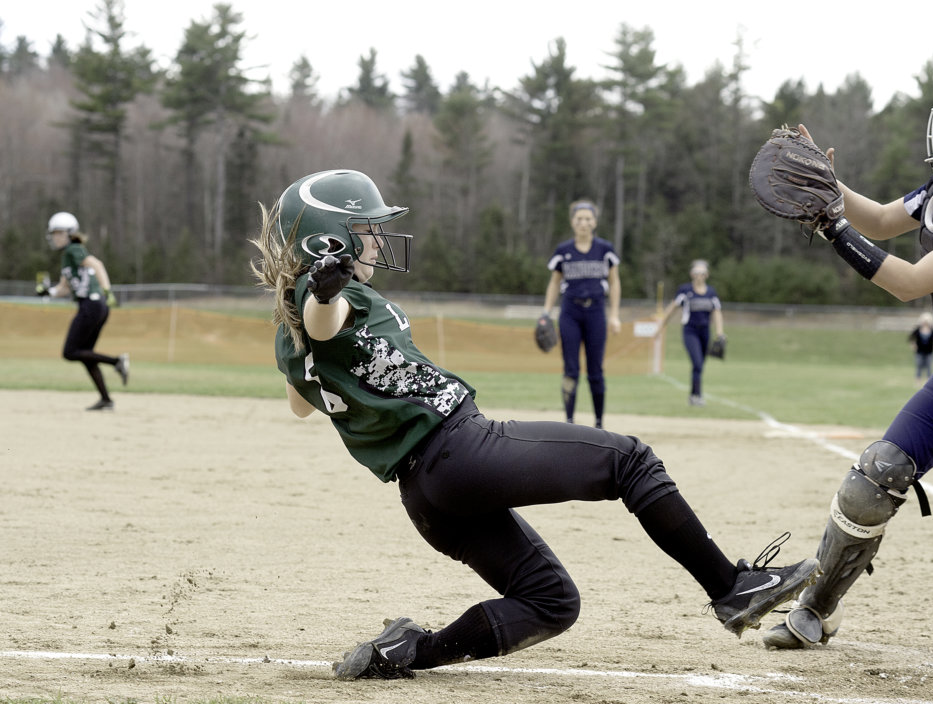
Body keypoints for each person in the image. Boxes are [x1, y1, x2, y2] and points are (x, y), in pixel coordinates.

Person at [250, 169, 820, 680]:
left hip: (425, 495)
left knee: (551, 602)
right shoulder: (326, 300)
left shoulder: (289, 334)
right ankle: (730, 588)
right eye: (367, 229)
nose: (378, 239)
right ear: (330, 242)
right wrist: (324, 292)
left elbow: (302, 401)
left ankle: (409, 652)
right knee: (631, 460)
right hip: (458, 450)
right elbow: (325, 321)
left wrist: (317, 308)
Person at [761, 58, 933, 650]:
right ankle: (816, 611)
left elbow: (908, 282)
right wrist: (829, 186)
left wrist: (832, 227)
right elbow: (880, 221)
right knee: (875, 476)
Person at [36, 211, 129, 411]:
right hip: (95, 306)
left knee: (70, 352)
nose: (54, 237)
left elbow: (97, 265)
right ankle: (106, 399)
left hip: (91, 305)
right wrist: (47, 292)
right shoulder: (67, 257)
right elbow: (64, 287)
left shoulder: (74, 249)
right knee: (85, 355)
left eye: (57, 233)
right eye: (53, 233)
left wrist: (107, 291)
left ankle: (116, 361)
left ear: (69, 233)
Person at [541, 200, 622, 428]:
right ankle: (569, 422)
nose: (583, 223)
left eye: (588, 219)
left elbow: (614, 282)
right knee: (571, 370)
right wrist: (546, 312)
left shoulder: (605, 249)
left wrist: (614, 315)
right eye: (579, 219)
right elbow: (554, 283)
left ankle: (599, 423)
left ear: (594, 222)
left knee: (596, 370)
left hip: (596, 311)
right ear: (572, 222)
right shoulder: (564, 250)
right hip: (570, 312)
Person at [656, 260, 726, 406]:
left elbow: (717, 312)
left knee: (700, 366)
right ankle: (697, 396)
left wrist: (720, 333)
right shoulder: (685, 290)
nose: (699, 276)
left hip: (705, 331)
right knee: (697, 362)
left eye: (702, 273)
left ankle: (693, 395)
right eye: (696, 273)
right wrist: (660, 325)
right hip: (690, 331)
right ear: (692, 274)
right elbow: (673, 308)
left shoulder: (711, 292)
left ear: (707, 275)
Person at [908, 312, 933, 380]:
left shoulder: (932, 331)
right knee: (919, 366)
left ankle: (928, 380)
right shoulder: (917, 330)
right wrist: (913, 345)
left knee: (929, 367)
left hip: (929, 352)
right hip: (919, 352)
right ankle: (918, 380)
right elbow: (911, 338)